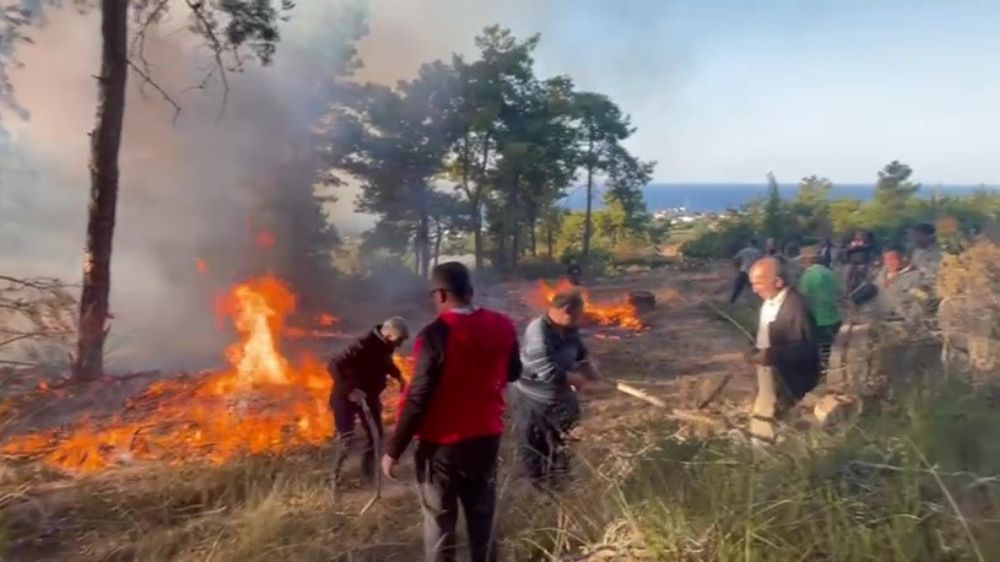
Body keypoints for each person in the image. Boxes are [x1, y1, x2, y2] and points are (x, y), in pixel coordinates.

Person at [382, 262, 520, 562]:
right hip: (486, 438)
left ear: (441, 295)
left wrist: (394, 449)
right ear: (470, 291)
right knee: (482, 516)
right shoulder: (503, 325)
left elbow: (418, 396)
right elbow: (513, 373)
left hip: (441, 446)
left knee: (440, 523)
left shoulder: (435, 334)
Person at [513, 289, 604, 487]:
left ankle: (561, 484)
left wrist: (591, 370)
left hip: (562, 400)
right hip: (535, 401)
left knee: (564, 445)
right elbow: (548, 373)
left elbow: (580, 353)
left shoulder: (569, 327)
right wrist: (579, 381)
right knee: (536, 448)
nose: (579, 320)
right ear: (566, 310)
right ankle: (538, 490)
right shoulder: (538, 331)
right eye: (578, 314)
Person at [747, 257, 821, 445]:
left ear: (778, 281)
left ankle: (775, 456)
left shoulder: (796, 308)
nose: (754, 290)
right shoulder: (771, 300)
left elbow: (808, 348)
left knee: (780, 421)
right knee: (765, 415)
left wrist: (772, 355)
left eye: (758, 283)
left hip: (788, 378)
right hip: (770, 372)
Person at [328, 318, 409, 486]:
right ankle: (333, 478)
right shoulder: (363, 344)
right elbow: (334, 364)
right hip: (345, 396)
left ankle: (367, 477)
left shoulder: (385, 346)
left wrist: (399, 376)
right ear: (387, 335)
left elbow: (385, 363)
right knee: (346, 438)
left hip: (369, 396)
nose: (400, 345)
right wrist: (351, 389)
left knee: (376, 435)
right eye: (399, 340)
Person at [797, 246, 842, 372]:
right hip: (834, 315)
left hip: (817, 318)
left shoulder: (808, 276)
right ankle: (834, 370)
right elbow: (839, 291)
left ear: (807, 260)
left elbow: (802, 297)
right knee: (832, 347)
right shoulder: (829, 272)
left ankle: (824, 373)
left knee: (821, 348)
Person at [874, 246, 933, 326]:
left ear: (904, 258)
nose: (889, 263)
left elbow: (923, 298)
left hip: (906, 321)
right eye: (886, 260)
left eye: (892, 259)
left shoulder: (917, 276)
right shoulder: (879, 276)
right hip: (881, 320)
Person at [731, 238, 763, 303]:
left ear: (749, 243)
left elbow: (735, 259)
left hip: (743, 271)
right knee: (756, 288)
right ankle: (759, 302)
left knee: (738, 288)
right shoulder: (758, 252)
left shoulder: (744, 251)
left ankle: (732, 301)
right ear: (756, 244)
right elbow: (762, 262)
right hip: (753, 273)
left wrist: (737, 266)